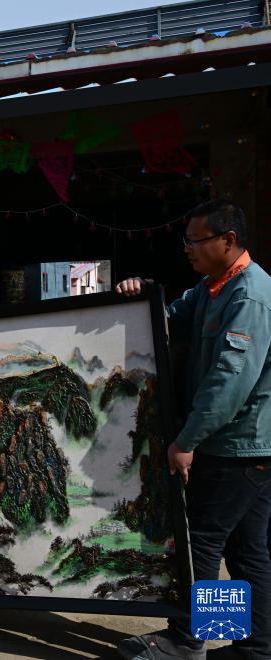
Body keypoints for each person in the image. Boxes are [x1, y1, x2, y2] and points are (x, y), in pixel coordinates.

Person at [115, 199, 271, 660]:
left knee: (201, 541)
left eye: (196, 240)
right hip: (247, 446)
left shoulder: (249, 296)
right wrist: (143, 292)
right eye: (186, 240)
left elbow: (231, 378)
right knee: (245, 549)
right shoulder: (212, 288)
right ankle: (256, 649)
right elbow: (169, 321)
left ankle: (186, 641)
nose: (187, 248)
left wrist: (187, 441)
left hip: (236, 444)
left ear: (229, 240)